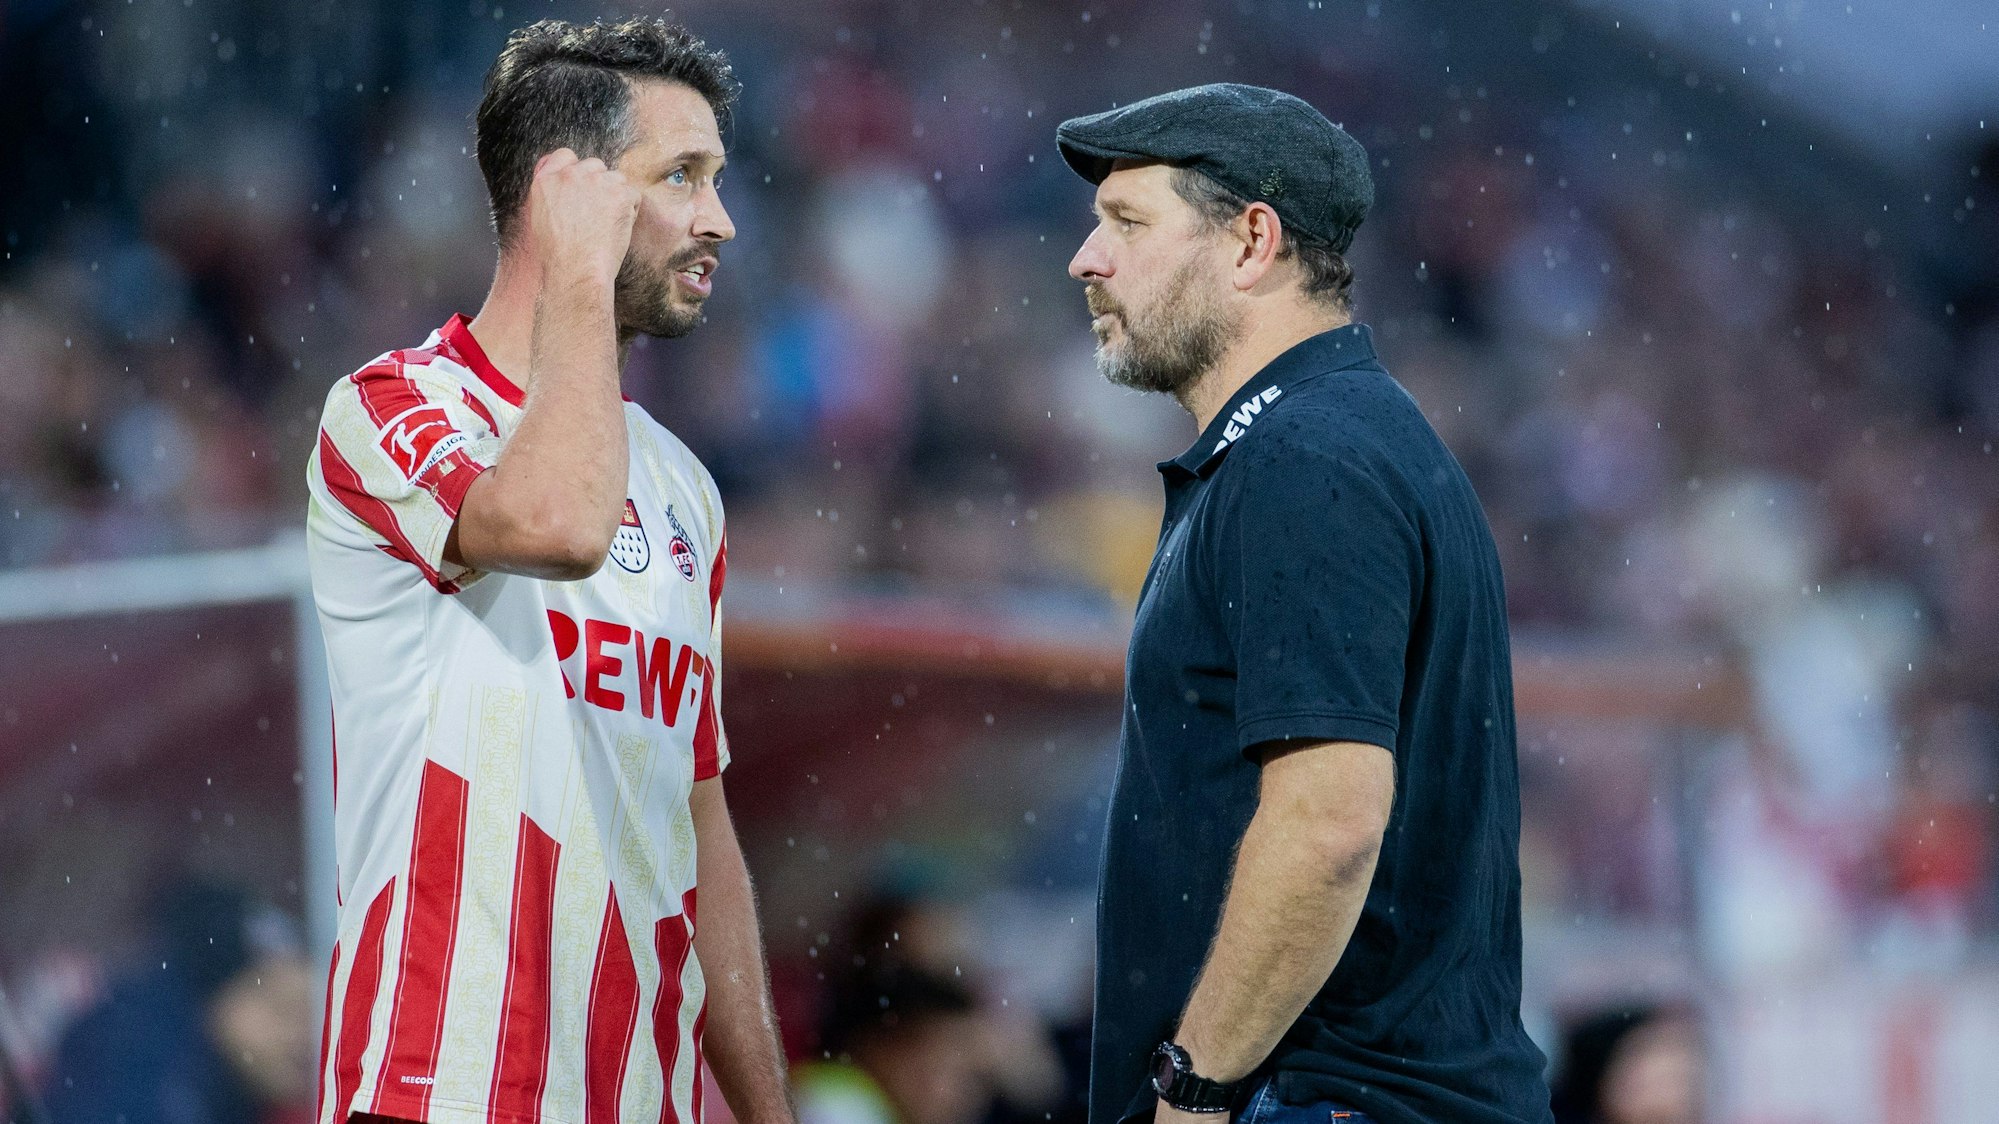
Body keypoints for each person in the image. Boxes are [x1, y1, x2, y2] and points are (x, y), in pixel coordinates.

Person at [305, 18, 789, 1124]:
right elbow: (559, 525)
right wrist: (575, 274)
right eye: (681, 175)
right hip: (438, 1091)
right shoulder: (390, 406)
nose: (719, 218)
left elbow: (699, 825)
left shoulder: (683, 487)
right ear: (564, 193)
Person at [1055, 85, 1553, 1124]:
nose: (1085, 259)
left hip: (1323, 1096)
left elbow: (1328, 824)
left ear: (1251, 242)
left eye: (1127, 222)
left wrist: (1193, 1087)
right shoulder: (1338, 436)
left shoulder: (1304, 457)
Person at [42, 879, 317, 1124]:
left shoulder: (231, 1090)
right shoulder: (150, 1074)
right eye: (284, 1010)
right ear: (215, 998)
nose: (306, 1036)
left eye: (318, 1015)